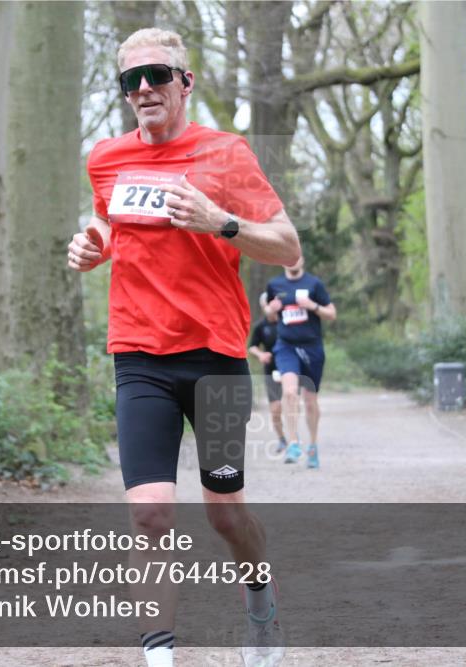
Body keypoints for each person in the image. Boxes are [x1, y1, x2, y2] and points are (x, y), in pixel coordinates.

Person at [66, 28, 300, 667]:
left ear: (185, 82)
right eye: (131, 80)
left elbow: (287, 244)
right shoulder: (107, 158)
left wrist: (220, 222)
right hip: (139, 356)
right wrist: (92, 243)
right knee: (149, 515)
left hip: (215, 359)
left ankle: (261, 602)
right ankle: (160, 657)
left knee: (225, 516)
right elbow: (110, 223)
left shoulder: (226, 154)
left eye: (158, 75)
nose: (145, 88)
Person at [265, 256, 336, 469]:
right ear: (282, 261)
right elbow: (270, 316)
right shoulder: (274, 285)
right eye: (288, 258)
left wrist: (313, 305)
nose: (292, 261)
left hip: (312, 348)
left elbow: (331, 314)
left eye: (295, 257)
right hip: (286, 346)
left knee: (310, 401)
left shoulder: (314, 284)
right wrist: (271, 310)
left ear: (302, 260)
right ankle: (293, 443)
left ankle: (312, 445)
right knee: (289, 392)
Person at [249, 292, 288, 454]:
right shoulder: (260, 326)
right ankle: (282, 439)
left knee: (289, 402)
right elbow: (252, 346)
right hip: (270, 370)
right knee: (275, 409)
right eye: (266, 304)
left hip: (288, 369)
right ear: (263, 307)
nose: (270, 307)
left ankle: (294, 438)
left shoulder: (286, 322)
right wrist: (261, 355)